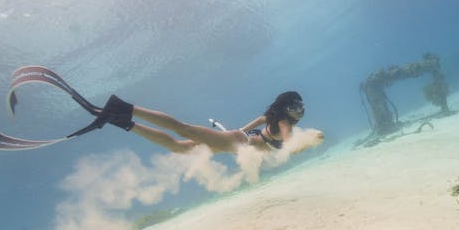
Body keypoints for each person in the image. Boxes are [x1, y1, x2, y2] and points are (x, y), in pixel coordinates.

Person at [95, 91, 322, 154]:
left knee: (179, 147)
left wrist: (235, 135)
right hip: (235, 142)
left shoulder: (272, 117)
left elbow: (249, 126)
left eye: (301, 106)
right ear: (286, 109)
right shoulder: (285, 125)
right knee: (182, 129)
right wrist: (312, 139)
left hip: (235, 141)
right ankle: (124, 108)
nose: (301, 111)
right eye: (296, 107)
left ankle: (123, 122)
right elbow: (291, 145)